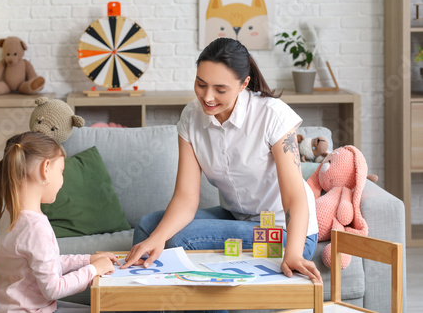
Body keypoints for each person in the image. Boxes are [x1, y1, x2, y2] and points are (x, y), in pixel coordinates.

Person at [122, 38, 322, 282]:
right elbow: (186, 198)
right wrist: (156, 237)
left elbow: (294, 197)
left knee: (179, 238)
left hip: (285, 229)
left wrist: (292, 252)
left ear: (244, 84)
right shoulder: (191, 117)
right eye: (201, 84)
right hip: (237, 217)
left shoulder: (272, 114)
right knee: (147, 227)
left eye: (220, 89)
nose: (207, 97)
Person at [0, 131, 119, 313]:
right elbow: (54, 289)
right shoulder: (35, 227)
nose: (62, 180)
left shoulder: (9, 214)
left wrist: (88, 260)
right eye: (61, 171)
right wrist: (93, 270)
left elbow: (44, 263)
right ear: (45, 169)